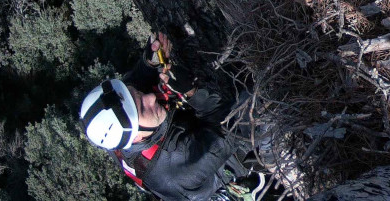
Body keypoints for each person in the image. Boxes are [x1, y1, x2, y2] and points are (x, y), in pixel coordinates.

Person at [79, 33, 263, 201]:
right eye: (143, 108)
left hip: (186, 139)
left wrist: (149, 62)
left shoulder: (125, 123)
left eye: (137, 94)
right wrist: (192, 91)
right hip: (215, 159)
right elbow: (228, 124)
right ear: (136, 137)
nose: (150, 98)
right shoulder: (178, 165)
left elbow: (134, 82)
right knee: (254, 102)